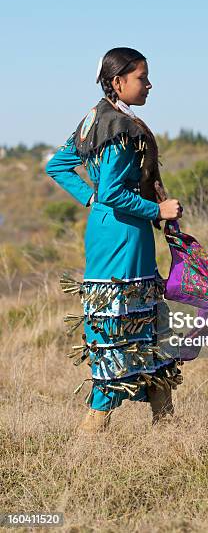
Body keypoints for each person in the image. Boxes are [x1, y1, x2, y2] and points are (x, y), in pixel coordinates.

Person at [45, 47, 184, 433]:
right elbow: (112, 192)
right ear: (118, 82)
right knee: (119, 320)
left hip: (110, 231)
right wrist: (157, 210)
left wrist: (89, 198)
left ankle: (164, 418)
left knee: (139, 317)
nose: (149, 84)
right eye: (142, 77)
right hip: (124, 236)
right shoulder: (120, 129)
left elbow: (57, 165)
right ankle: (96, 425)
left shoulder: (95, 119)